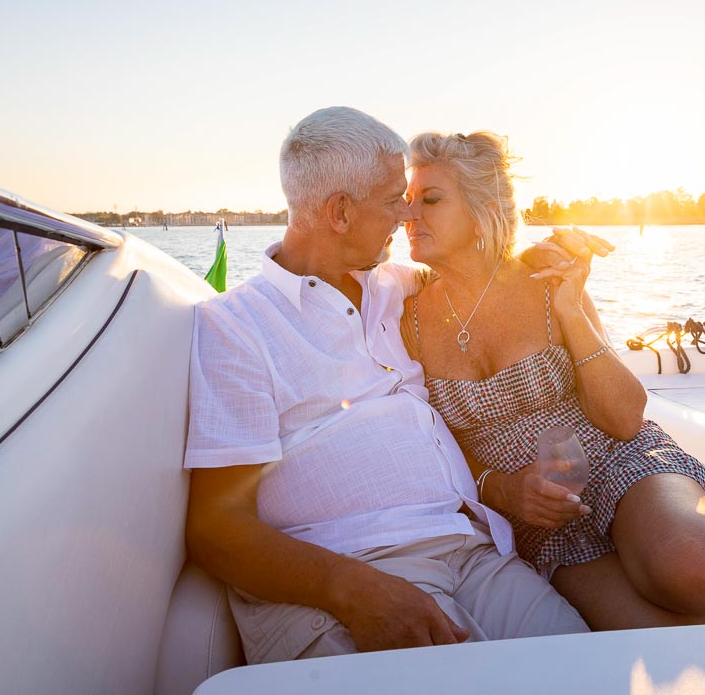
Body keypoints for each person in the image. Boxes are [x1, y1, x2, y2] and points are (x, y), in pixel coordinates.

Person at [183, 108, 588, 665]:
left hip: (472, 551)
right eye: (394, 198)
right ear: (341, 212)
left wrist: (531, 261)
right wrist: (354, 591)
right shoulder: (238, 326)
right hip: (346, 570)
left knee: (589, 666)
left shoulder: (396, 284)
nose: (406, 214)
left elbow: (475, 272)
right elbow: (214, 528)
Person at [399, 131, 705, 629]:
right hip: (539, 517)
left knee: (701, 574)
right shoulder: (405, 318)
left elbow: (625, 418)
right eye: (406, 200)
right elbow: (435, 443)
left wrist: (570, 306)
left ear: (484, 209)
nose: (407, 215)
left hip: (622, 463)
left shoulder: (548, 281)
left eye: (430, 199)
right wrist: (502, 489)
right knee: (658, 641)